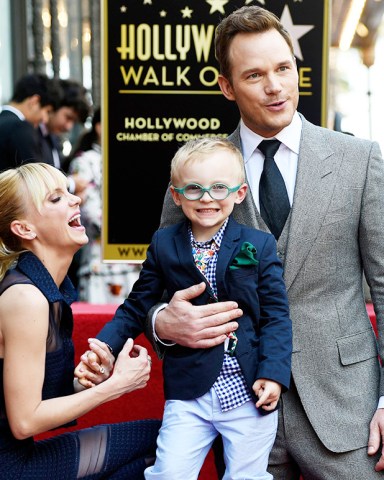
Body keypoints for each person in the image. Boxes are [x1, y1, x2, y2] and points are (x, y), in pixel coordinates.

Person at [141, 5, 384, 479]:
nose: (275, 86)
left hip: (346, 409)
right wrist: (164, 325)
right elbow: (154, 291)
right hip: (237, 410)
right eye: (255, 74)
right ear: (226, 86)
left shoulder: (360, 160)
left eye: (283, 68)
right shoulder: (196, 173)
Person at [76, 137, 292, 479]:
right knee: (169, 472)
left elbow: (276, 316)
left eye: (219, 188)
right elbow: (137, 306)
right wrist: (105, 345)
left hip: (248, 392)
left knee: (247, 476)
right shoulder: (165, 244)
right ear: (176, 195)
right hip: (189, 392)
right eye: (193, 189)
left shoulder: (258, 245)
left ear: (240, 193)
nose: (206, 198)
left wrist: (273, 374)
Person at [0, 162, 161, 478]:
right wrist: (116, 386)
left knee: (167, 440)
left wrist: (85, 382)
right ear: (24, 229)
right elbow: (24, 422)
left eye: (69, 192)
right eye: (56, 198)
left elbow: (33, 401)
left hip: (18, 457)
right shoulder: (26, 298)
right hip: (10, 466)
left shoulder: (45, 290)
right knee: (162, 440)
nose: (75, 200)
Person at [67, 107, 142, 303]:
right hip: (100, 261)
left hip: (136, 262)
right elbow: (87, 213)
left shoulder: (133, 158)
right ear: (99, 127)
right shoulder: (85, 161)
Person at [0, 73, 62, 171]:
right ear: (34, 101)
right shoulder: (21, 128)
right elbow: (35, 179)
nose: (45, 119)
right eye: (47, 111)